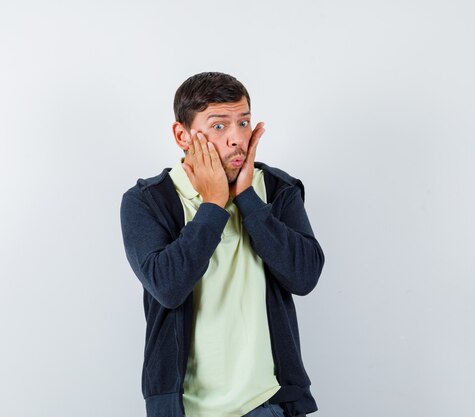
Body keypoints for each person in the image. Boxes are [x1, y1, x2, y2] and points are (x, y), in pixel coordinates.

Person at [120, 72, 324, 417]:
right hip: (182, 408)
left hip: (268, 403)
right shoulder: (147, 201)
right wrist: (213, 205)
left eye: (243, 122)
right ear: (182, 135)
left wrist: (248, 199)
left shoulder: (276, 190)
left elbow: (304, 277)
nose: (237, 139)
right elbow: (168, 287)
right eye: (219, 126)